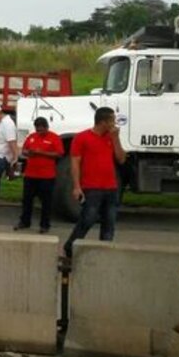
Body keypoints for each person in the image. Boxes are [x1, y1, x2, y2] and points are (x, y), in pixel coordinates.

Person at [62, 107, 127, 258]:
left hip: (111, 187)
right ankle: (70, 246)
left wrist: (116, 139)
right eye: (112, 120)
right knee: (88, 219)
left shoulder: (111, 137)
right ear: (103, 122)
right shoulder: (82, 138)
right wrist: (77, 186)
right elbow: (75, 162)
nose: (114, 123)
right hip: (92, 187)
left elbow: (121, 159)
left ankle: (104, 251)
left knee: (109, 222)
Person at [14, 117, 64, 233]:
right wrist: (28, 152)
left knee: (46, 202)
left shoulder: (54, 138)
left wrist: (41, 153)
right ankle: (25, 222)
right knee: (27, 200)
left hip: (46, 176)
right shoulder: (32, 137)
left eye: (42, 129)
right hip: (30, 174)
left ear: (46, 127)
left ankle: (45, 225)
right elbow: (24, 150)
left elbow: (59, 154)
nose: (39, 132)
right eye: (37, 129)